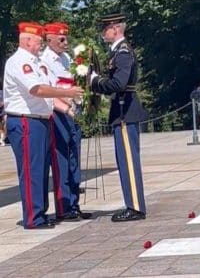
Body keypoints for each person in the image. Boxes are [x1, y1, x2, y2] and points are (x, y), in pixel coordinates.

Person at [3, 22, 84, 229]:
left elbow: (49, 91)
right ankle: (33, 217)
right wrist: (68, 94)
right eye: (39, 41)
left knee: (40, 169)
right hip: (25, 120)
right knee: (32, 170)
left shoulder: (36, 62)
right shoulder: (20, 62)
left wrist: (67, 107)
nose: (41, 45)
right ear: (27, 40)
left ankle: (41, 212)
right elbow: (37, 89)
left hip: (40, 119)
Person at [90, 13, 148, 222]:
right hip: (123, 109)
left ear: (115, 29)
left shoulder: (122, 53)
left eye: (105, 28)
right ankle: (133, 204)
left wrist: (95, 82)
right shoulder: (118, 52)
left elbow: (118, 84)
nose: (103, 32)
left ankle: (135, 207)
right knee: (125, 160)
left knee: (129, 162)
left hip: (125, 110)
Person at [41, 22, 91, 221]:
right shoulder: (45, 60)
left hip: (73, 111)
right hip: (58, 113)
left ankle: (74, 203)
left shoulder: (67, 58)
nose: (65, 42)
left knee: (74, 160)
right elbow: (52, 89)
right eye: (61, 39)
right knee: (61, 159)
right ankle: (64, 207)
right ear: (49, 39)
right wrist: (68, 105)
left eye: (66, 38)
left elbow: (73, 81)